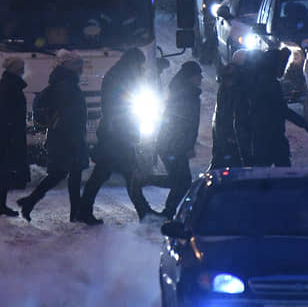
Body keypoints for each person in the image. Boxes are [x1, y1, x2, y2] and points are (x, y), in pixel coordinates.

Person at [77, 48, 156, 224]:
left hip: (117, 134)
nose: (140, 67)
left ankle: (143, 211)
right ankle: (143, 212)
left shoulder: (119, 75)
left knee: (117, 173)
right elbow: (120, 106)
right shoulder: (121, 77)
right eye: (139, 64)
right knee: (116, 173)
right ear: (133, 62)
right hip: (117, 135)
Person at [17, 50, 88, 222]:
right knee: (67, 173)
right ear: (71, 67)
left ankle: (31, 202)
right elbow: (70, 113)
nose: (81, 69)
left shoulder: (61, 82)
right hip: (68, 136)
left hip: (63, 135)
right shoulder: (67, 85)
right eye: (79, 66)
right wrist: (75, 134)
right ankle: (73, 213)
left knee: (63, 173)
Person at [247, 48, 308, 166]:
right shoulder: (270, 84)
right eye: (283, 64)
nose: (284, 68)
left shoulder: (260, 80)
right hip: (271, 138)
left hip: (262, 138)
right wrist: (304, 124)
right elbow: (281, 110)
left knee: (264, 172)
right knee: (282, 174)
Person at [155, 61, 203, 219]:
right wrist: (186, 146)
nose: (201, 78)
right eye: (198, 75)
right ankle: (146, 180)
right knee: (182, 181)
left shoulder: (183, 92)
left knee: (179, 180)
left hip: (171, 143)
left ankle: (168, 212)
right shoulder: (186, 95)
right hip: (173, 145)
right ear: (190, 77)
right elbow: (185, 124)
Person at [0, 57, 30, 216]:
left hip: (4, 133)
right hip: (7, 135)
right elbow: (8, 113)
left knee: (4, 168)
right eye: (21, 67)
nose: (23, 70)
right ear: (15, 69)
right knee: (5, 168)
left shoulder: (6, 84)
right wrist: (12, 133)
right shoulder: (9, 86)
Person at [210, 53, 252, 169]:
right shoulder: (235, 83)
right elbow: (229, 111)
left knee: (220, 163)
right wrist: (231, 134)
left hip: (224, 132)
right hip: (230, 134)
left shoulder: (228, 81)